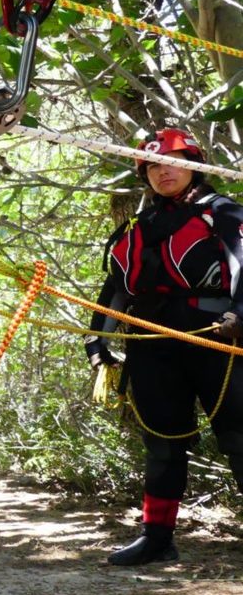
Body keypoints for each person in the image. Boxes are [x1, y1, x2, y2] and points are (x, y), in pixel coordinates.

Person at [85, 127, 243, 566]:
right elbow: (115, 288)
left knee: (239, 437)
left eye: (171, 160)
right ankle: (157, 538)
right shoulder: (136, 227)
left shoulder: (224, 214)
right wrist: (98, 340)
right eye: (152, 165)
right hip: (151, 344)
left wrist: (241, 319)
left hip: (216, 338)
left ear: (194, 164)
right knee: (162, 443)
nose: (162, 171)